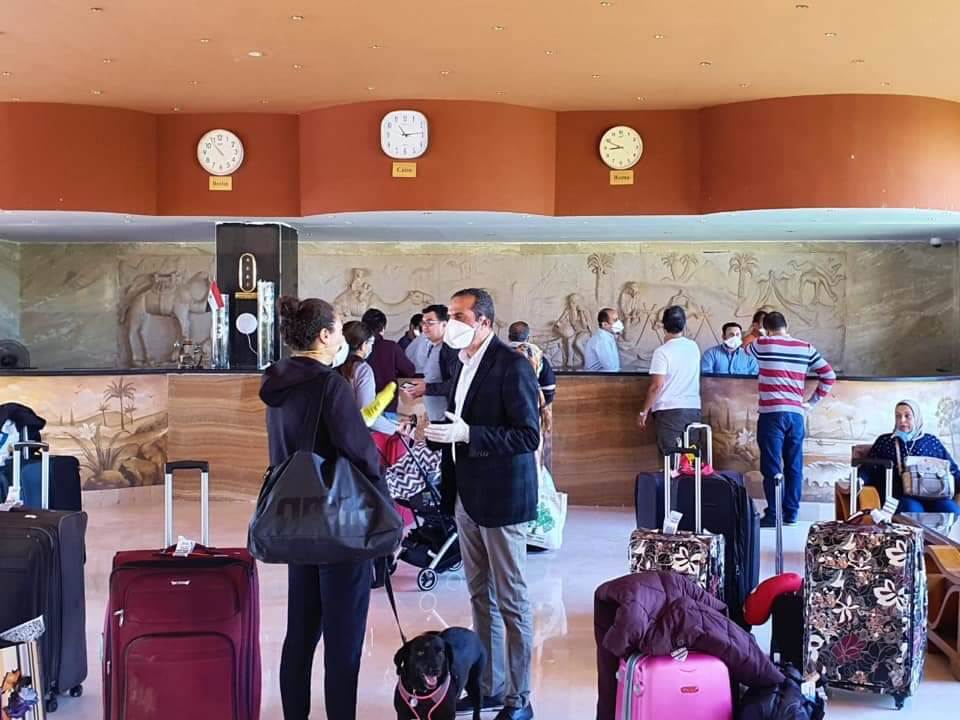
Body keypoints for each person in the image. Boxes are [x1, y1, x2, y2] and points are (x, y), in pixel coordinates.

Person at [260, 296, 385, 720]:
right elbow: (362, 453)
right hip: (339, 522)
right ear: (325, 335)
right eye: (338, 327)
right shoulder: (330, 385)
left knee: (300, 634)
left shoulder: (276, 383)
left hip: (295, 518)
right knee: (343, 642)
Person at [423, 288, 540, 720]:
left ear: (485, 322)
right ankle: (490, 686)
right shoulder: (461, 362)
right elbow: (462, 419)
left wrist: (468, 435)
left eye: (459, 316)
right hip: (467, 495)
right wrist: (441, 434)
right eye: (450, 314)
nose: (451, 323)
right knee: (479, 596)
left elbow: (528, 435)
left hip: (504, 497)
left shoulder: (511, 365)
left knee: (511, 599)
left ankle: (519, 698)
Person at [747, 311, 836, 527]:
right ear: (786, 326)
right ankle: (791, 514)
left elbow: (744, 345)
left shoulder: (763, 344)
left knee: (772, 466)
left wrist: (756, 332)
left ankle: (773, 514)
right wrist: (811, 402)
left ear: (767, 328)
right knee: (794, 466)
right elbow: (829, 375)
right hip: (796, 415)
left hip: (771, 415)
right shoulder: (805, 347)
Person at [861, 400, 960, 514]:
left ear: (916, 418)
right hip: (901, 496)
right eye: (898, 416)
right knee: (912, 511)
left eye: (907, 416)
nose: (902, 420)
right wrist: (858, 481)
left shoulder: (932, 442)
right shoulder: (885, 441)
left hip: (935, 496)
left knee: (951, 511)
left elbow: (952, 470)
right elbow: (868, 469)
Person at [636, 306, 702, 457]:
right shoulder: (694, 347)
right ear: (684, 325)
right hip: (693, 408)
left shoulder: (662, 352)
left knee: (671, 459)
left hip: (670, 411)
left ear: (663, 325)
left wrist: (644, 411)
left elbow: (657, 386)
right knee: (690, 458)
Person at [337, 320, 399, 436]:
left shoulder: (334, 364)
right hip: (353, 434)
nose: (371, 347)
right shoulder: (362, 369)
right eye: (371, 343)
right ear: (363, 345)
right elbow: (367, 416)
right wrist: (396, 428)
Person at [403, 304, 462, 423]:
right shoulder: (433, 347)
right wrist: (421, 387)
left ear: (444, 325)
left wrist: (427, 388)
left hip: (447, 418)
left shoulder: (451, 349)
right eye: (423, 323)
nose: (424, 327)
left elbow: (457, 384)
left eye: (430, 323)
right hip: (435, 416)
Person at [361, 307, 415, 412]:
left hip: (362, 407)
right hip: (386, 405)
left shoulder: (357, 347)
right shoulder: (391, 347)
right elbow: (409, 370)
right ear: (382, 329)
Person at [508, 321, 557, 407]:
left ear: (509, 337)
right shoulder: (537, 353)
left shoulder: (500, 353)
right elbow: (549, 386)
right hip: (531, 404)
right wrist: (545, 401)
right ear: (528, 338)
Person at [583, 308, 623, 372]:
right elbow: (610, 368)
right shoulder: (601, 340)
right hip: (599, 377)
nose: (619, 322)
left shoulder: (607, 337)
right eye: (615, 320)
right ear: (605, 324)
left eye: (618, 319)